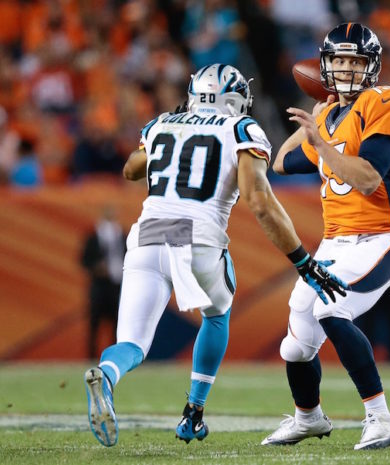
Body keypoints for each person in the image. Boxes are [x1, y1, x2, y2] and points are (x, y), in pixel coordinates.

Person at [83, 63, 347, 447]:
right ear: (237, 100)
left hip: (147, 234)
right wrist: (302, 261)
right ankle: (194, 412)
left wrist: (170, 130)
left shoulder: (161, 124)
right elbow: (259, 200)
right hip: (197, 234)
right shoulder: (242, 129)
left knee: (133, 344)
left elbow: (130, 170)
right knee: (217, 311)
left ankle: (106, 375)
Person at [261, 22, 390, 450]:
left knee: (335, 309)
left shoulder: (386, 101)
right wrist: (316, 125)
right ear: (326, 66)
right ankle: (308, 418)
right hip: (335, 243)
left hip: (380, 237)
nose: (346, 69)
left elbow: (366, 179)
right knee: (296, 345)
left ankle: (381, 419)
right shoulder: (328, 115)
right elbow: (282, 162)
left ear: (372, 67)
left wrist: (324, 146)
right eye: (339, 61)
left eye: (355, 61)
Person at [80, 205, 126, 359]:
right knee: (95, 323)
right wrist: (96, 268)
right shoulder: (93, 236)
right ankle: (91, 357)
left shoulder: (122, 235)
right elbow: (84, 259)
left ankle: (115, 357)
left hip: (117, 285)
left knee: (117, 323)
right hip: (99, 285)